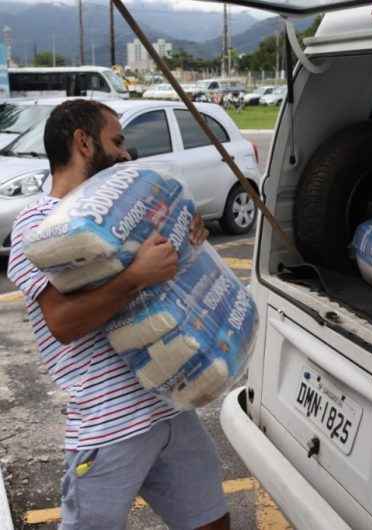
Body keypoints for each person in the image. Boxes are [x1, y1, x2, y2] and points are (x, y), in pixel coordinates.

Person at [7, 99, 230, 530]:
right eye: (117, 141)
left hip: (169, 405)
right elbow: (62, 323)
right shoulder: (38, 223)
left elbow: (165, 284)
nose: (126, 153)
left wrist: (189, 241)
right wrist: (134, 277)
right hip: (109, 424)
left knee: (212, 522)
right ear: (84, 143)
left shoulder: (122, 212)